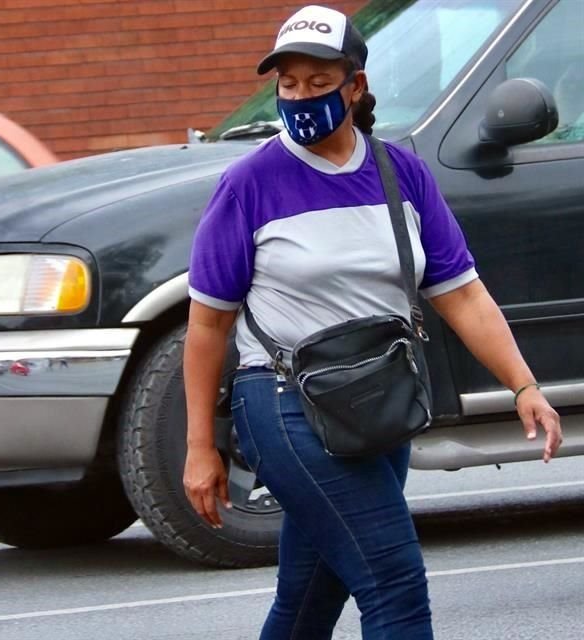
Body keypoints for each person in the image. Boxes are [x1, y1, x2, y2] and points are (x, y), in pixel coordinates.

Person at [182, 5, 562, 639]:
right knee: (393, 580)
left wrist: (523, 385)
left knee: (310, 595)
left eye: (317, 82)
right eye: (288, 84)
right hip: (283, 403)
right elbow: (207, 327)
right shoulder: (249, 183)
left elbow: (462, 295)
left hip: (379, 401)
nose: (300, 97)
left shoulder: (401, 174)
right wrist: (200, 447)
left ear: (354, 86)